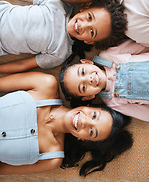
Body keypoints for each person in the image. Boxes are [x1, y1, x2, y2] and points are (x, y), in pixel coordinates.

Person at [0, 72, 133, 176]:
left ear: (84, 139)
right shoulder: (46, 84)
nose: (84, 121)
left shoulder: (52, 158)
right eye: (93, 115)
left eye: (92, 131)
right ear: (89, 105)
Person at [0, 0, 126, 73]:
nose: (83, 26)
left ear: (89, 41)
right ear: (85, 8)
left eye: (92, 32)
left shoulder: (61, 53)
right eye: (89, 17)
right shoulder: (57, 3)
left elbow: (23, 64)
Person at [60, 39, 149, 124]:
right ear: (89, 96)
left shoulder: (108, 56)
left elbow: (144, 43)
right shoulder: (113, 102)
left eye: (82, 72)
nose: (89, 79)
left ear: (87, 62)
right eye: (83, 87)